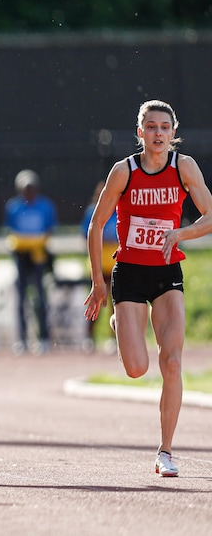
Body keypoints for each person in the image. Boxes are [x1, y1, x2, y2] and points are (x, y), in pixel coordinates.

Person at [84, 99, 212, 477]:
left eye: (164, 127)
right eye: (151, 127)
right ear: (140, 133)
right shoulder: (123, 171)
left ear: (173, 133)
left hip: (167, 272)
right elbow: (96, 226)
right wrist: (97, 282)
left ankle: (166, 451)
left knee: (171, 361)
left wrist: (180, 233)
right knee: (137, 368)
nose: (158, 133)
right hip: (130, 274)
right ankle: (119, 320)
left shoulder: (183, 167)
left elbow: (210, 216)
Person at [4, 169, 58, 355]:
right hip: (20, 255)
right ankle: (22, 340)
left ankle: (43, 338)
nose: (29, 192)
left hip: (38, 256)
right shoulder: (14, 207)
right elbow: (10, 230)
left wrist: (39, 243)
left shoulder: (45, 206)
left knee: (40, 297)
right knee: (21, 298)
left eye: (31, 188)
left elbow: (50, 230)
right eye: (25, 189)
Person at [80, 181, 118, 352]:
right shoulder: (92, 212)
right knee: (95, 301)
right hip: (99, 263)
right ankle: (89, 338)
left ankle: (114, 338)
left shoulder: (119, 210)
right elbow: (86, 234)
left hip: (116, 262)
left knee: (115, 303)